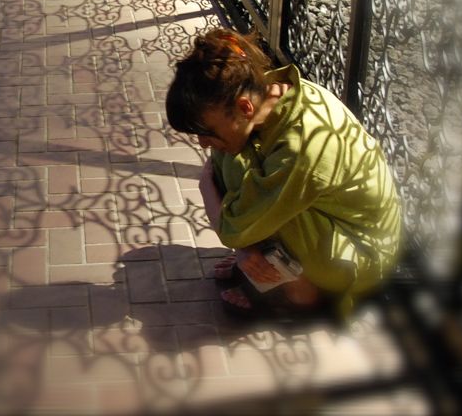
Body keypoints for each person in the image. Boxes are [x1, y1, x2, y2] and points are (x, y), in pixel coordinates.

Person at [165, 27, 402, 319]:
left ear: (244, 107)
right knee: (230, 157)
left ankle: (302, 291)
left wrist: (208, 191)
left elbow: (230, 228)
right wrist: (246, 247)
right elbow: (223, 169)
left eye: (205, 131)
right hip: (328, 221)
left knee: (252, 192)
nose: (202, 142)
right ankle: (268, 264)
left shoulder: (302, 146)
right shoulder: (274, 96)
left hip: (357, 253)